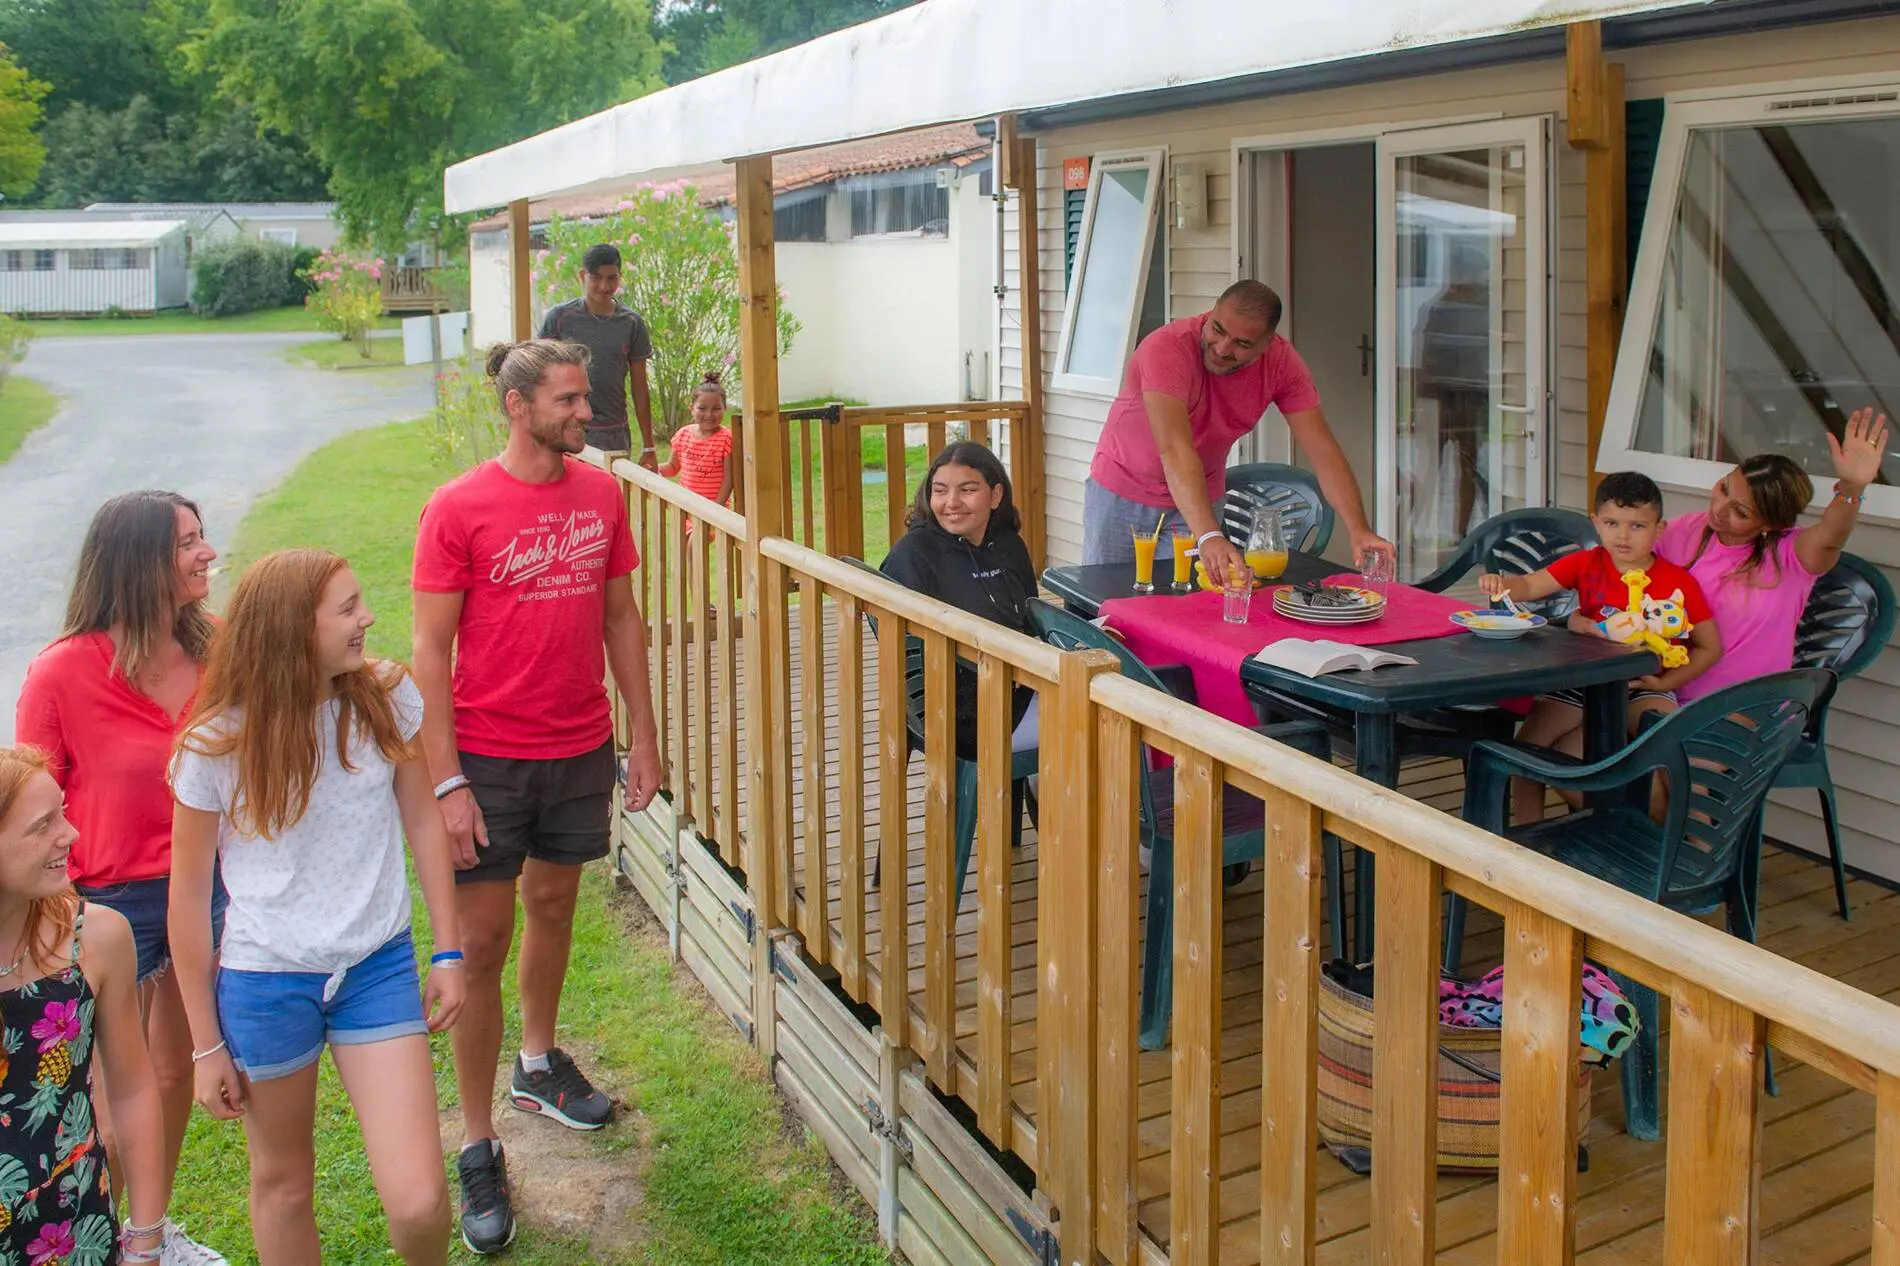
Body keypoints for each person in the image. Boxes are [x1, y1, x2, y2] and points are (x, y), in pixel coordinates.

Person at [412, 339, 664, 1254]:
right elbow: (428, 655)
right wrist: (447, 783)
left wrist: (643, 732)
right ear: (518, 407)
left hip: (578, 745)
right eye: (567, 400)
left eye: (584, 397)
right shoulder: (459, 507)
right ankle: (479, 1141)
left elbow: (620, 616)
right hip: (487, 755)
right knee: (479, 945)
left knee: (555, 901)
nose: (585, 413)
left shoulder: (602, 495)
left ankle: (536, 1066)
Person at [169, 550, 464, 1265]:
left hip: (376, 968)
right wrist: (205, 1045)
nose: (368, 618)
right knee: (284, 1187)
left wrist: (448, 951)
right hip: (266, 983)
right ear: (292, 628)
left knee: (421, 1199)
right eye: (349, 608)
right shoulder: (215, 742)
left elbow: (423, 822)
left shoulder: (388, 694)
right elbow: (187, 901)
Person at [13, 490, 228, 1265]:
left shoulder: (220, 648)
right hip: (107, 904)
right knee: (99, 1098)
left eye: (204, 537)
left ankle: (149, 1231)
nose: (207, 553)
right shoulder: (62, 671)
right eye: (187, 544)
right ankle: (83, 1232)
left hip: (210, 888)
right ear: (139, 562)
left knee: (175, 1072)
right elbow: (35, 805)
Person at [1083, 279, 1393, 585]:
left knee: (1189, 606)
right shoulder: (1168, 347)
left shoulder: (1282, 365)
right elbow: (1175, 447)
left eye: (1242, 344)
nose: (1222, 348)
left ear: (1268, 343)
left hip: (1199, 494)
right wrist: (1210, 534)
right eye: (1217, 329)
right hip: (1122, 490)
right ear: (1211, 312)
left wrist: (1358, 528)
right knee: (1108, 600)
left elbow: (1322, 448)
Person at [0, 746, 173, 1265]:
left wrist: (145, 1238)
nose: (70, 835)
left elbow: (134, 1088)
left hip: (73, 1224)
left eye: (64, 813)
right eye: (42, 824)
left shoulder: (95, 938)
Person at [1480, 471, 1720, 824]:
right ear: (1596, 523)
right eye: (1612, 523)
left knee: (1673, 748)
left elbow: (1710, 647)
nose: (1622, 535)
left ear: (1659, 529)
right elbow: (1530, 586)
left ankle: (1693, 844)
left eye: (1637, 526)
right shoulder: (1587, 563)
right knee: (1526, 749)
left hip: (1642, 685)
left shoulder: (1677, 581)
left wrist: (1666, 683)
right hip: (1583, 684)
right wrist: (1502, 583)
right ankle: (1526, 840)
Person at [1656, 408, 1890, 705]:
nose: (1719, 509)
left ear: (1771, 524)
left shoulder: (1790, 555)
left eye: (1740, 512)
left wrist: (1852, 488)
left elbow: (1832, 535)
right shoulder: (1687, 529)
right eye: (1724, 488)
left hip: (1744, 712)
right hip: (1663, 695)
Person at [880, 442, 1039, 756]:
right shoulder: (914, 555)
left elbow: (1030, 619)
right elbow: (912, 650)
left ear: (995, 496)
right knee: (1106, 721)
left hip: (1013, 684)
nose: (952, 503)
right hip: (960, 710)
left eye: (967, 490)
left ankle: (1039, 789)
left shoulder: (1007, 545)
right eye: (940, 491)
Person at [538, 243, 656, 462]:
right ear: (583, 276)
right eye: (596, 277)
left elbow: (640, 386)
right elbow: (539, 375)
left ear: (620, 277)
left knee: (610, 492)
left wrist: (649, 446)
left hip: (613, 433)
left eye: (612, 278)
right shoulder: (560, 318)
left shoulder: (631, 323)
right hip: (567, 427)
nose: (604, 286)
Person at [657, 372, 736, 506]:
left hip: (714, 513)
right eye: (702, 408)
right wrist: (655, 468)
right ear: (691, 409)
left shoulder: (727, 439)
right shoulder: (683, 435)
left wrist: (715, 510)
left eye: (716, 409)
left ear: (725, 409)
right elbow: (673, 467)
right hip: (686, 510)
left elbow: (728, 480)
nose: (709, 414)